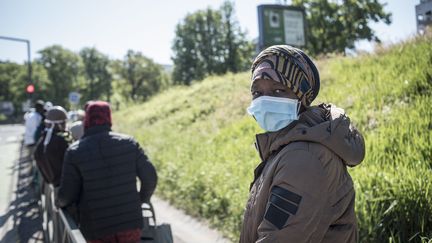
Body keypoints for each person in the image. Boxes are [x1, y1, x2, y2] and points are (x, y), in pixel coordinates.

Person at [240, 45, 365, 243]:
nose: (265, 101)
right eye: (257, 93)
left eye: (278, 90)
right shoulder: (286, 148)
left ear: (301, 97)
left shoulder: (304, 158)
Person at [56, 101, 158, 242]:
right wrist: (141, 200)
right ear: (109, 118)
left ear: (87, 120)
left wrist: (58, 201)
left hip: (96, 228)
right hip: (130, 225)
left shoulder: (74, 151)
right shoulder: (129, 143)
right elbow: (150, 178)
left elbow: (67, 195)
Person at [34, 106, 72, 186]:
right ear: (59, 124)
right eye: (64, 122)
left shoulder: (41, 142)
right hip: (66, 186)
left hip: (52, 184)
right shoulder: (62, 141)